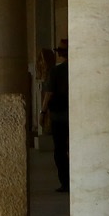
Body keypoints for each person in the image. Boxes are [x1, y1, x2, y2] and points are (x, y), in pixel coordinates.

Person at [43, 40, 70, 192]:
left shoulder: (56, 71)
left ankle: (65, 183)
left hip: (59, 116)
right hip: (75, 116)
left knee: (60, 151)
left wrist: (43, 112)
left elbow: (49, 93)